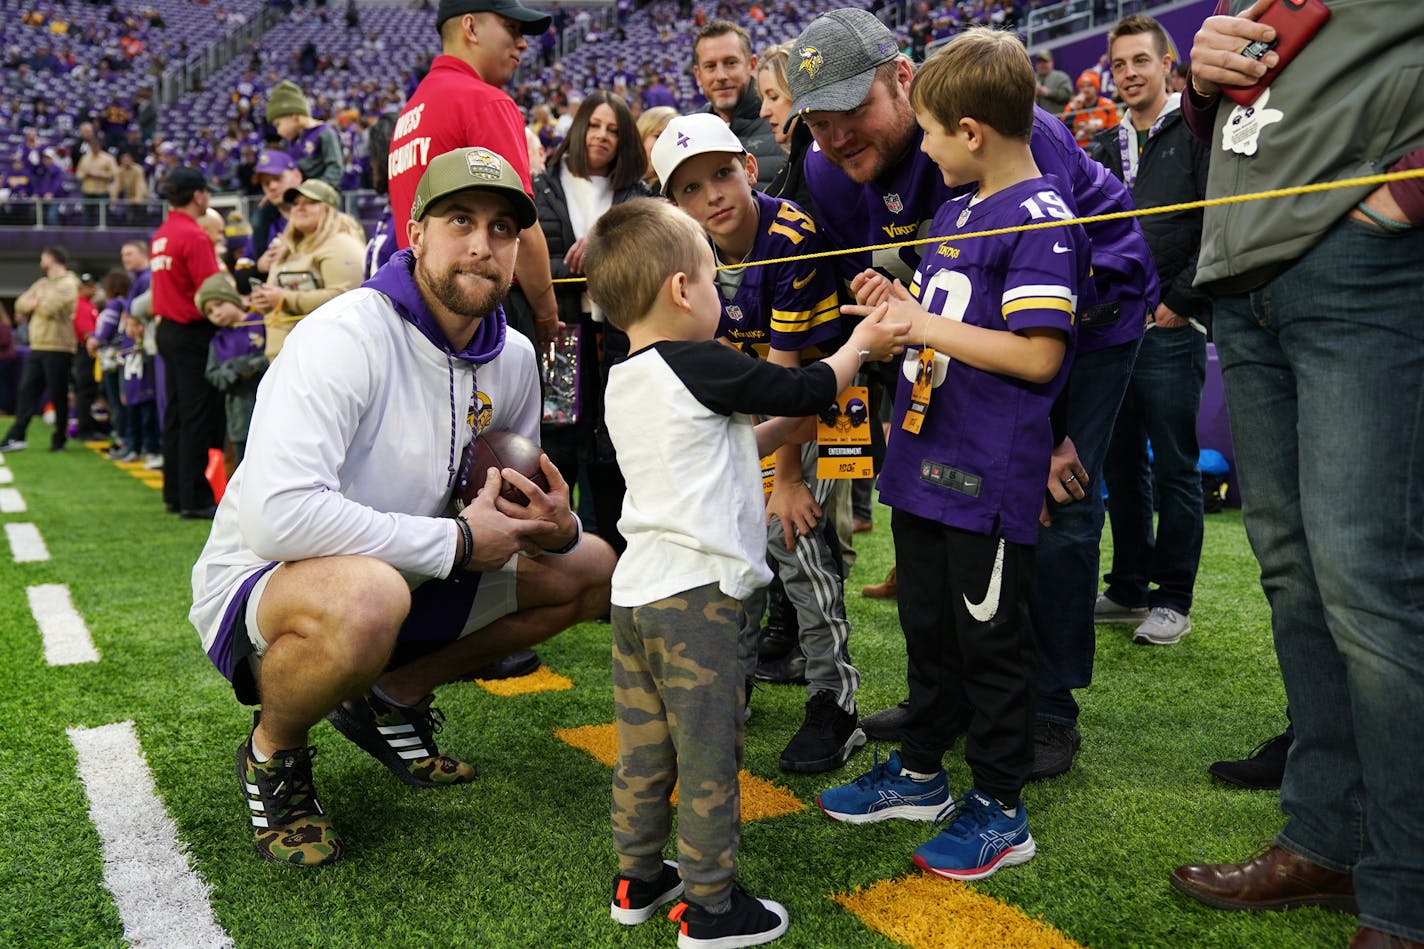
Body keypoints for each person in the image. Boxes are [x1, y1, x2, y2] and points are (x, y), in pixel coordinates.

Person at [189, 146, 616, 868]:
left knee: (593, 563)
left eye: (504, 229)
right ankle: (275, 752)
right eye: (460, 221)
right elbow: (277, 517)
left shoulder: (512, 357)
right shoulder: (344, 335)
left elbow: (508, 510)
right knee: (369, 595)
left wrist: (555, 522)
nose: (482, 245)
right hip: (270, 582)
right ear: (416, 233)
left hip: (412, 569)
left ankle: (391, 694)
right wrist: (453, 541)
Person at [786, 9, 1156, 773]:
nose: (836, 136)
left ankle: (1047, 706)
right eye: (817, 122)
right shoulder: (825, 171)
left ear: (902, 79)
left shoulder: (1021, 142)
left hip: (1084, 318)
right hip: (956, 331)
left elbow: (1053, 316)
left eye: (852, 112)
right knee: (938, 509)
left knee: (1050, 501)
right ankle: (946, 698)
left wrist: (1049, 434)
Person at [1166, 5, 1424, 947]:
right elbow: (1251, 112)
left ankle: (1405, 886)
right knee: (1297, 574)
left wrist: (1397, 205)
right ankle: (1329, 838)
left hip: (1360, 261)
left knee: (1368, 581)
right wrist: (1199, 87)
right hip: (1247, 273)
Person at [587, 197, 905, 946]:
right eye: (711, 277)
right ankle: (710, 905)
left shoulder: (627, 377)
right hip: (699, 602)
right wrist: (859, 343)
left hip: (637, 596)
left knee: (643, 747)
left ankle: (637, 876)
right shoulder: (698, 359)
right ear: (680, 290)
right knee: (707, 755)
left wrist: (772, 434)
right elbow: (807, 387)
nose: (719, 295)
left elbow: (702, 455)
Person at [816, 27, 1089, 882]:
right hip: (925, 459)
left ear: (971, 132)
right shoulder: (957, 209)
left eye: (930, 131)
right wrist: (900, 307)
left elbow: (1040, 353)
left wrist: (925, 322)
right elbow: (951, 327)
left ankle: (1003, 809)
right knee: (927, 628)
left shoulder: (1041, 215)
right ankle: (925, 770)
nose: (922, 148)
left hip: (985, 473)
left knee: (990, 642)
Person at [652, 112, 868, 775]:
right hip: (761, 405)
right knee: (730, 539)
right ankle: (731, 680)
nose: (711, 195)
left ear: (749, 168)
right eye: (689, 188)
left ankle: (837, 698)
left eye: (721, 174)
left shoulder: (791, 236)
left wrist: (790, 477)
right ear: (673, 205)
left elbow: (792, 382)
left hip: (827, 398)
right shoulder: (687, 253)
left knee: (794, 541)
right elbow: (716, 366)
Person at [1090, 14, 1211, 651]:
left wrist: (1179, 300)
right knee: (1120, 463)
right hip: (1117, 331)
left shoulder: (1194, 133)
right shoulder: (1107, 148)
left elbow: (1216, 220)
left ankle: (1174, 599)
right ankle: (1130, 586)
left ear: (1169, 65)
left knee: (1175, 469)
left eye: (1141, 61)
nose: (1130, 73)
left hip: (1170, 327)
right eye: (1119, 64)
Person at [386, 0, 560, 353]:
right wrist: (546, 315)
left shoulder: (411, 111)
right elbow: (520, 229)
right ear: (470, 27)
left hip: (423, 307)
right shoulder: (485, 101)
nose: (523, 43)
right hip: (485, 306)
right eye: (511, 28)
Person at [526, 91, 649, 553]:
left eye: (614, 129)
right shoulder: (544, 188)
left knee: (614, 455)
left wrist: (601, 254)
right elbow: (526, 263)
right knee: (559, 451)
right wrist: (584, 271)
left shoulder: (637, 194)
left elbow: (648, 259)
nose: (602, 136)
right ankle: (559, 562)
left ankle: (615, 569)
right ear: (578, 128)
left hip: (618, 341)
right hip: (560, 337)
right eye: (595, 125)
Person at [150, 166, 224, 518]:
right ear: (199, 196)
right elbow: (213, 291)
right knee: (196, 415)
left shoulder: (162, 234)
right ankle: (195, 498)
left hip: (166, 328)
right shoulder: (194, 236)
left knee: (176, 413)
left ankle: (174, 493)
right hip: (191, 330)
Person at [248, 178, 366, 360]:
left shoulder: (341, 244)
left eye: (310, 203)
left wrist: (284, 298)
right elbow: (275, 294)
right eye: (296, 203)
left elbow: (347, 298)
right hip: (283, 360)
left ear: (330, 209)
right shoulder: (287, 247)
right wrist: (263, 300)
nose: (300, 208)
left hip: (326, 358)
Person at [0, 246, 79, 453]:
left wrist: (36, 303)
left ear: (52, 259)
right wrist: (34, 303)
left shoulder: (69, 283)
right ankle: (16, 436)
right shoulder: (42, 283)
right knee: (26, 391)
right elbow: (20, 303)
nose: (40, 262)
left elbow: (52, 307)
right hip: (38, 345)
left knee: (58, 394)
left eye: (43, 258)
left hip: (59, 346)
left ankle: (59, 439)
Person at [691, 21, 785, 191]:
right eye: (710, 66)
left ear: (752, 65)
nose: (721, 75)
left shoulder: (783, 124)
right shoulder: (689, 134)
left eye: (731, 63)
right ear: (698, 75)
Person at [197, 274, 265, 465]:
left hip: (268, 413)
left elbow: (272, 357)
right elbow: (212, 374)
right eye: (209, 312)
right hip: (239, 420)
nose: (216, 313)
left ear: (232, 298)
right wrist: (232, 372)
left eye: (219, 304)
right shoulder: (218, 341)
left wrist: (252, 365)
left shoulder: (261, 323)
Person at [755, 41, 814, 210]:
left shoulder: (817, 160)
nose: (763, 112)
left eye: (773, 97)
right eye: (762, 99)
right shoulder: (797, 159)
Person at [266, 80, 345, 191]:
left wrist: (313, 192)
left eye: (278, 125)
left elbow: (335, 168)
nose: (278, 132)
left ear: (293, 117)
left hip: (323, 200)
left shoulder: (324, 133)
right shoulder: (292, 142)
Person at [1063, 69, 1119, 149]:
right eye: (1082, 86)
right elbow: (1064, 132)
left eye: (1089, 85)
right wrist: (1074, 109)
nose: (1085, 89)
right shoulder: (1072, 107)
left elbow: (1114, 133)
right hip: (1078, 149)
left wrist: (1096, 131)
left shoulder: (1108, 105)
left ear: (1096, 88)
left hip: (1102, 147)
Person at [634, 105, 676, 192]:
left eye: (671, 139)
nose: (664, 145)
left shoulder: (672, 188)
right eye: (658, 136)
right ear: (641, 135)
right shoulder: (619, 178)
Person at [1033, 50, 1073, 114]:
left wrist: (1049, 93)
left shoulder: (1061, 77)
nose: (1042, 65)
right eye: (1039, 62)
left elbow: (1067, 96)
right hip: (1035, 119)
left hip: (1056, 118)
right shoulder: (1031, 78)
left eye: (1045, 62)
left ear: (1052, 62)